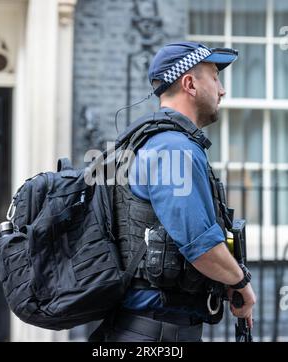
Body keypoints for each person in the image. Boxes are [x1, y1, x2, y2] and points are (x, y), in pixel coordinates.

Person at [100, 42, 256, 342]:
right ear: (190, 83)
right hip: (158, 333)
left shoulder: (150, 142)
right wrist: (241, 283)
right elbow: (201, 246)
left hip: (143, 327)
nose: (222, 90)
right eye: (215, 77)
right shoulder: (174, 147)